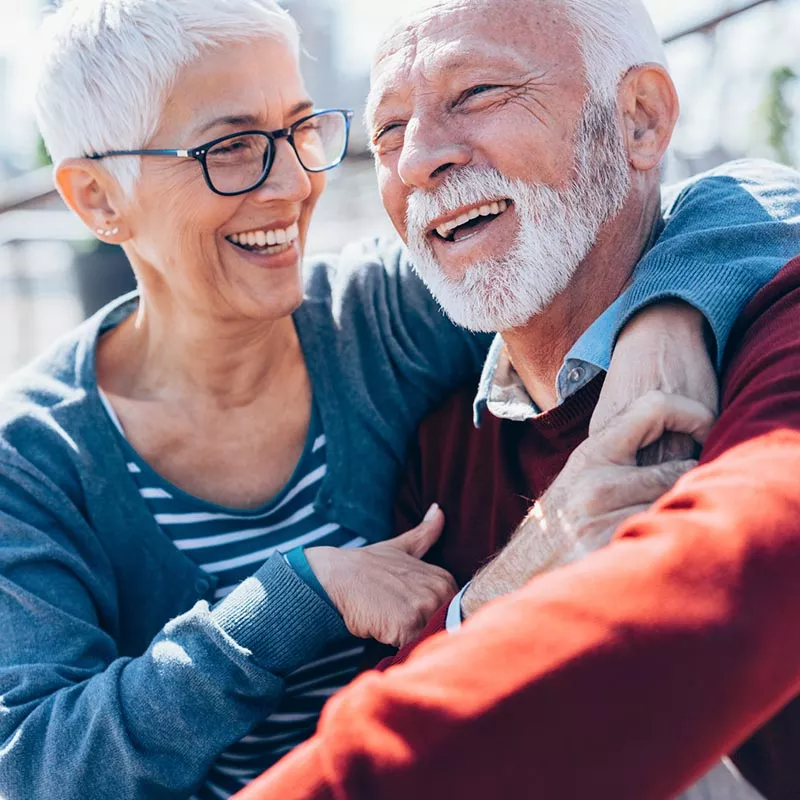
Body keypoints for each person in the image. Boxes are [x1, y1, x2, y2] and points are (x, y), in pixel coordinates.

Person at [0, 1, 798, 799]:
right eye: (232, 148)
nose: (290, 186)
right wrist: (292, 598)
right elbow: (35, 771)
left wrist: (668, 309)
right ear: (98, 199)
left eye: (300, 131)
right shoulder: (31, 463)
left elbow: (700, 198)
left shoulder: (381, 315)